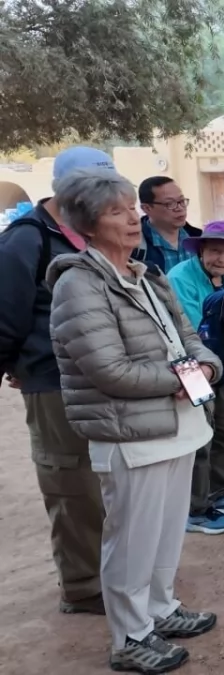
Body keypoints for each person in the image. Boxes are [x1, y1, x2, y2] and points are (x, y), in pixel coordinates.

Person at [47, 168, 221, 674]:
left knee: (166, 532)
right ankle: (130, 635)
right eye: (117, 211)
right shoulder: (79, 284)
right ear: (88, 224)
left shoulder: (147, 276)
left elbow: (189, 336)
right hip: (131, 432)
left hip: (177, 425)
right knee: (131, 539)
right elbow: (109, 370)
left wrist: (205, 364)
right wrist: (185, 374)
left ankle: (161, 608)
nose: (132, 219)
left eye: (132, 209)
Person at [0, 147, 110, 616]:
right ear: (66, 189)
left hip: (105, 381)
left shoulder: (93, 233)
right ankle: (84, 586)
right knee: (71, 485)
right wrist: (18, 368)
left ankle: (114, 573)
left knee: (107, 484)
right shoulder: (27, 242)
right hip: (51, 382)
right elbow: (5, 318)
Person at [168, 221, 224, 535]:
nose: (222, 258)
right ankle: (195, 508)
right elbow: (192, 329)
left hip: (218, 363)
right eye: (216, 251)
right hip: (190, 365)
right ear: (202, 250)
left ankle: (219, 492)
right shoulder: (180, 278)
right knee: (199, 436)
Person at [134, 176, 201, 273]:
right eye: (169, 203)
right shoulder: (135, 247)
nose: (179, 208)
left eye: (181, 201)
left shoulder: (197, 238)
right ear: (146, 208)